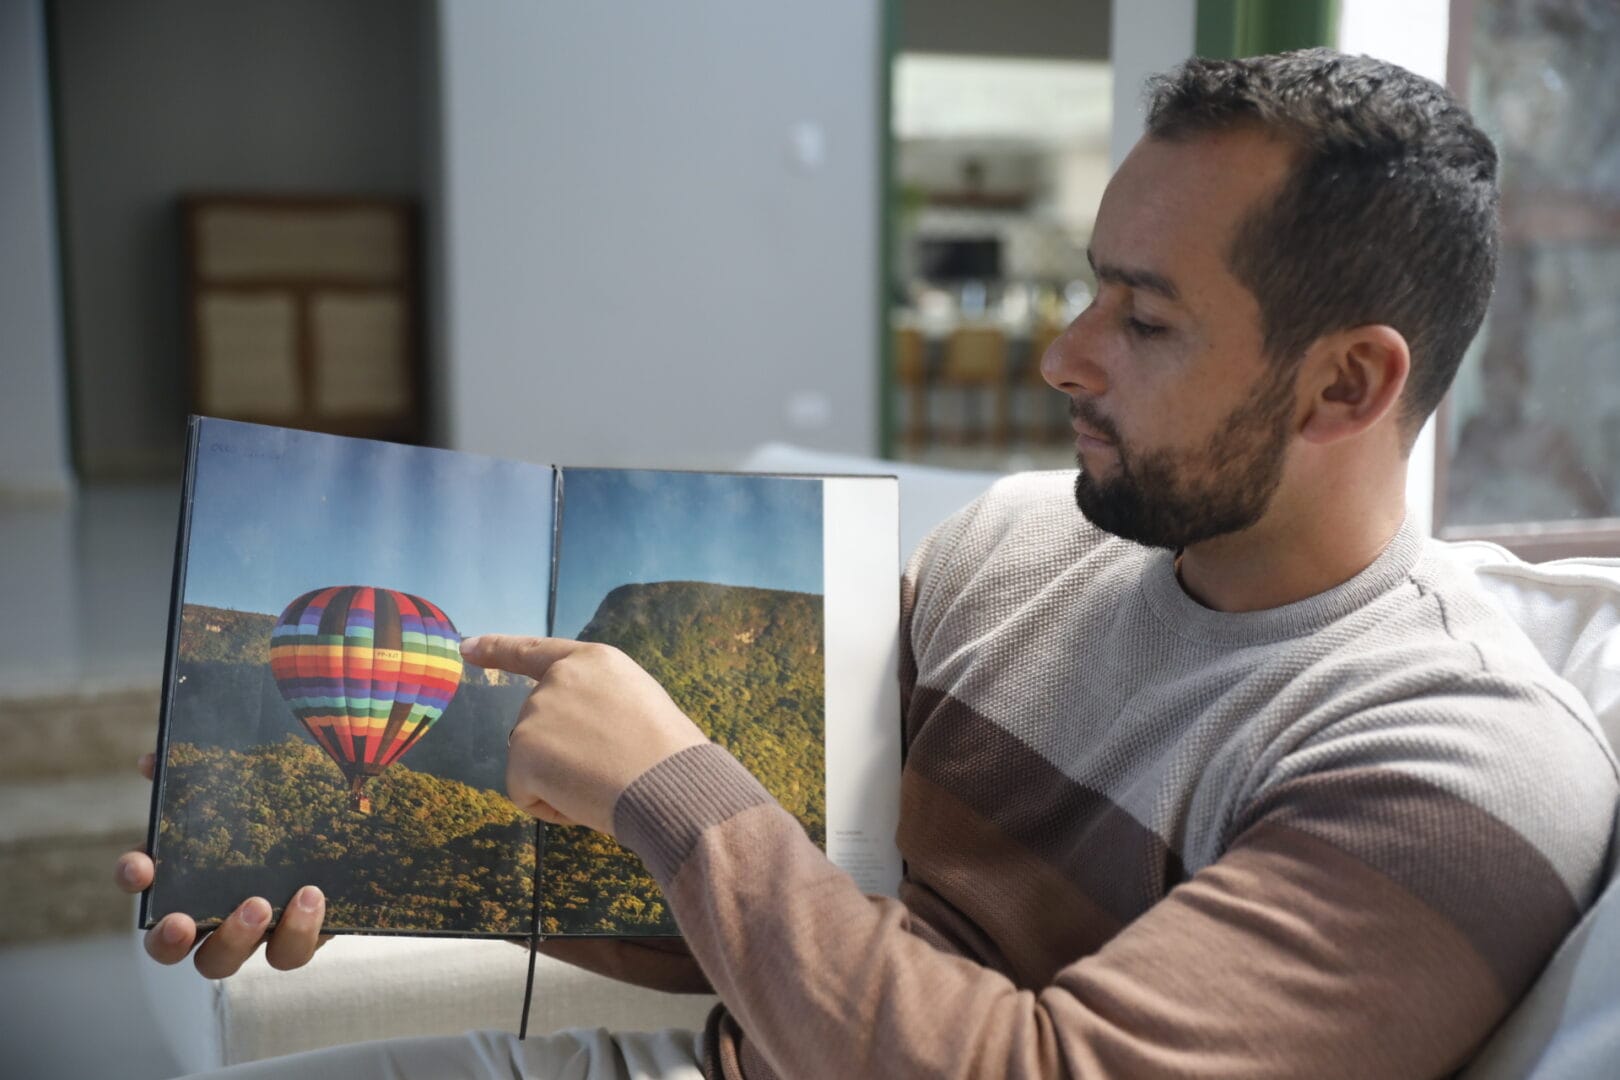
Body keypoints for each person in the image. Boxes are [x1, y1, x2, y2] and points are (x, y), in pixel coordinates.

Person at [116, 48, 1618, 1079]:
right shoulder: (1021, 539)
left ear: (1346, 388)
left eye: (1144, 322)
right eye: (1088, 288)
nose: (1060, 356)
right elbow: (793, 892)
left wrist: (671, 786)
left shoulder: (1459, 768)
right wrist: (359, 889)